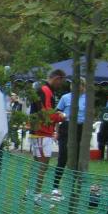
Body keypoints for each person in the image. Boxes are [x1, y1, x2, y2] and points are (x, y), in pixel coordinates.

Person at [28, 69, 65, 200]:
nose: (61, 85)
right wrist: (60, 116)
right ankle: (36, 195)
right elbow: (46, 112)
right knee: (43, 165)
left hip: (40, 132)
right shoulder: (45, 90)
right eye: (61, 81)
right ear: (57, 78)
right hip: (41, 132)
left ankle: (30, 193)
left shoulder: (45, 90)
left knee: (38, 164)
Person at [52, 80, 87, 194]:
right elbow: (57, 114)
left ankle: (73, 186)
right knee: (63, 156)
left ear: (83, 87)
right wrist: (56, 131)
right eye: (73, 85)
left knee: (77, 158)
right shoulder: (65, 97)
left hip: (80, 128)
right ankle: (55, 186)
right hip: (66, 127)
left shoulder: (87, 98)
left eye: (78, 85)